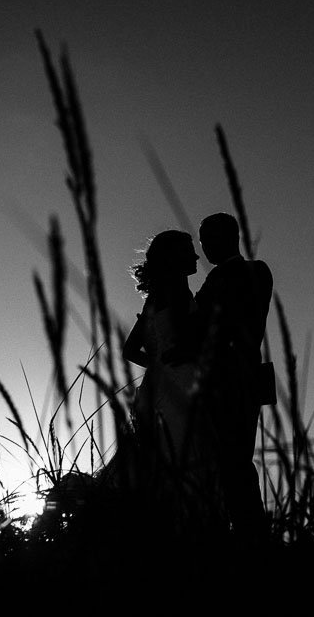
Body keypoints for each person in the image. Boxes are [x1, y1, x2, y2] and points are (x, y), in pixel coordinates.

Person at [191, 212, 273, 541]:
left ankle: (249, 534)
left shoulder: (244, 273)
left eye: (207, 240)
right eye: (201, 242)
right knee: (229, 459)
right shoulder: (231, 277)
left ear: (229, 237)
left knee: (234, 460)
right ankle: (236, 530)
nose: (204, 248)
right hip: (236, 377)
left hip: (232, 377)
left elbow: (222, 325)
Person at [122, 229, 201, 470]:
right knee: (185, 455)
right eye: (188, 251)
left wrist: (158, 367)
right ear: (172, 257)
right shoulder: (177, 291)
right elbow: (189, 338)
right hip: (183, 384)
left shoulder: (154, 298)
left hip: (156, 385)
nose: (196, 257)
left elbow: (130, 350)